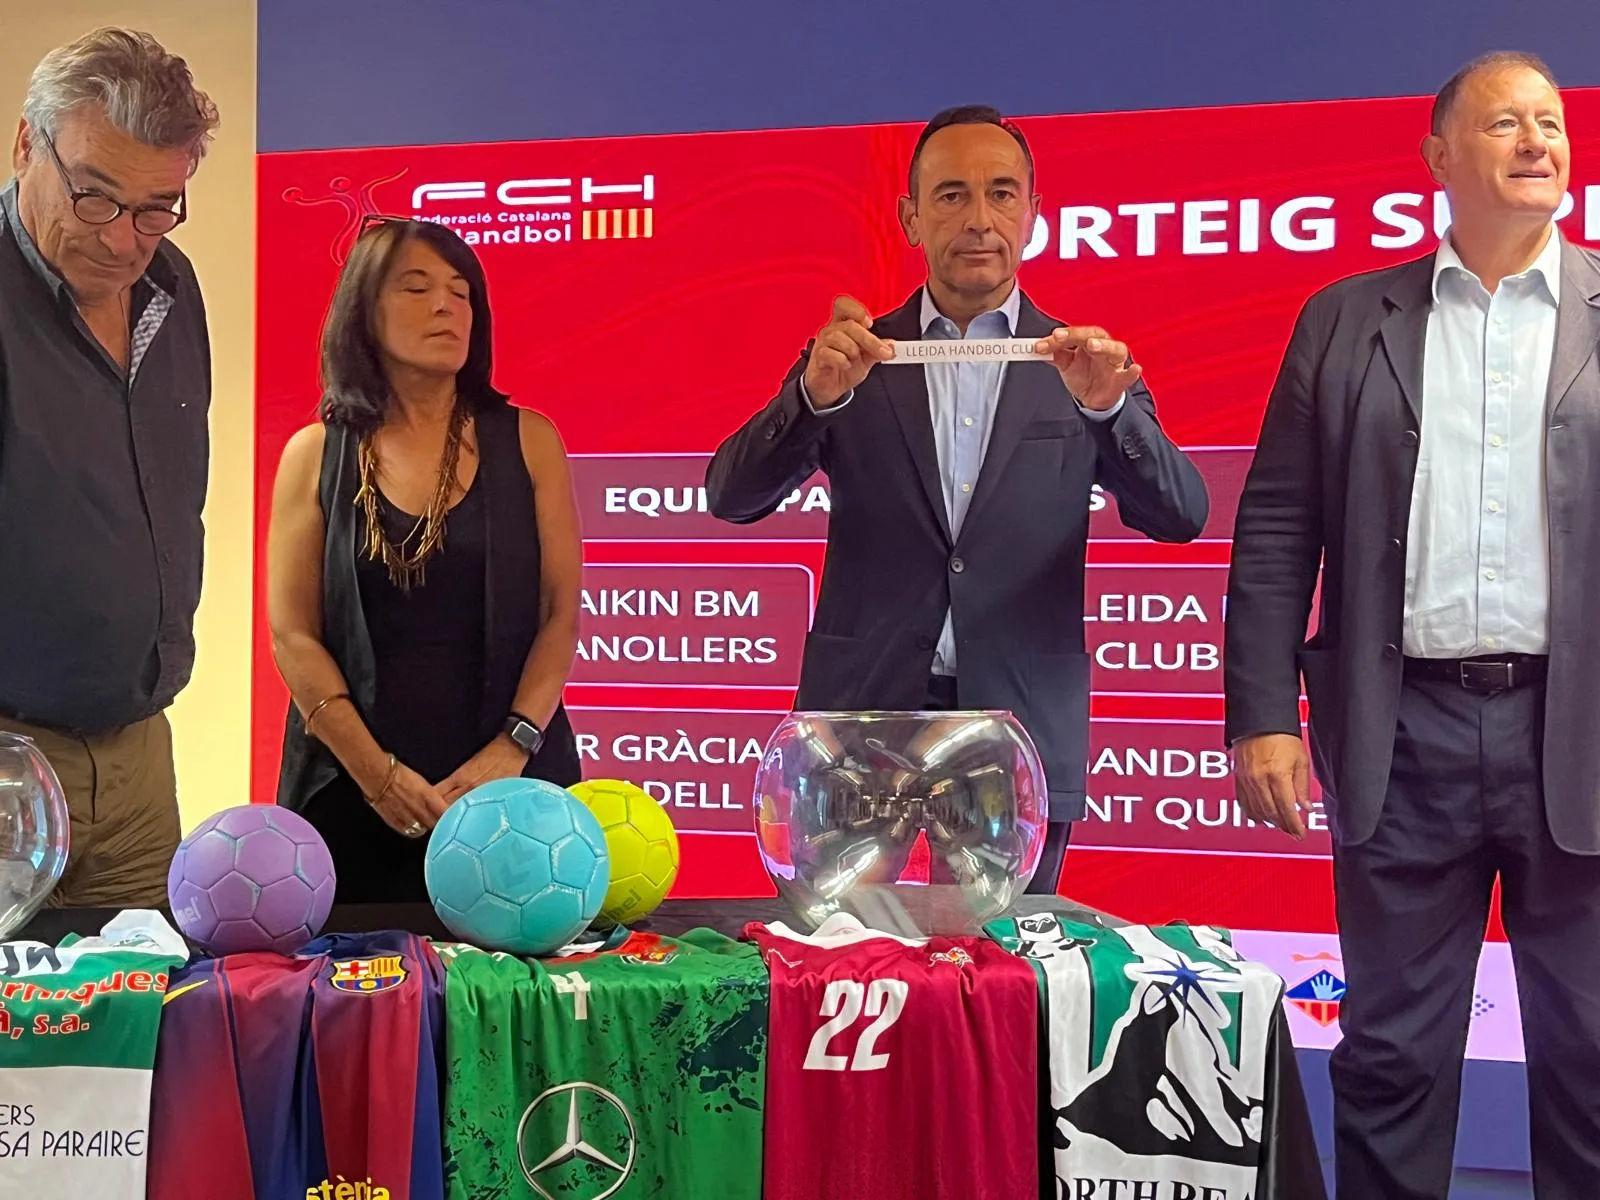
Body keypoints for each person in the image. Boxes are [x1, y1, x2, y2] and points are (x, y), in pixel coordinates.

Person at [1225, 52, 1600, 1199]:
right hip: (1402, 736)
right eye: (1504, 123)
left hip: (1580, 735)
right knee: (1389, 1056)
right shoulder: (1345, 319)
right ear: (1438, 156)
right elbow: (1278, 526)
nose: (1536, 141)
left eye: (1550, 122)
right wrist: (1261, 715)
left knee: (1593, 1061)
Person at [706, 105, 1209, 894]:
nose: (979, 218)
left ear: (1033, 214)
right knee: (839, 958)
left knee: (1001, 967)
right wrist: (811, 398)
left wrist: (1109, 411)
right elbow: (731, 495)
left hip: (1017, 733)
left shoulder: (1082, 364)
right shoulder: (856, 356)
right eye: (951, 195)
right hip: (858, 730)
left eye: (1002, 193)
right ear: (911, 217)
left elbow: (1182, 514)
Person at [267, 217, 583, 902]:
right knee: (354, 970)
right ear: (364, 311)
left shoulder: (530, 441)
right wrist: (376, 776)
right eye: (416, 288)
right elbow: (292, 634)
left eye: (461, 292)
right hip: (351, 789)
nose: (446, 306)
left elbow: (559, 612)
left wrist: (513, 746)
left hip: (513, 790)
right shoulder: (314, 454)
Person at [0, 28, 218, 908]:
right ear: (26, 145)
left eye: (157, 208)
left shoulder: (174, 288)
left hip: (137, 760)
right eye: (95, 198)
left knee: (148, 995)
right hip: (8, 760)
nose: (125, 242)